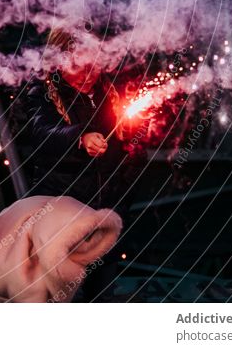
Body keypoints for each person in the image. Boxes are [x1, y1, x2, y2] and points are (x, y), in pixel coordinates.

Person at [25, 29, 146, 302]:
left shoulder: (109, 89)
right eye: (81, 64)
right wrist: (79, 138)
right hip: (61, 226)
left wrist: (135, 136)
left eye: (96, 62)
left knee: (101, 298)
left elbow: (131, 154)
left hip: (105, 223)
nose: (91, 73)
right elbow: (40, 133)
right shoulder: (40, 92)